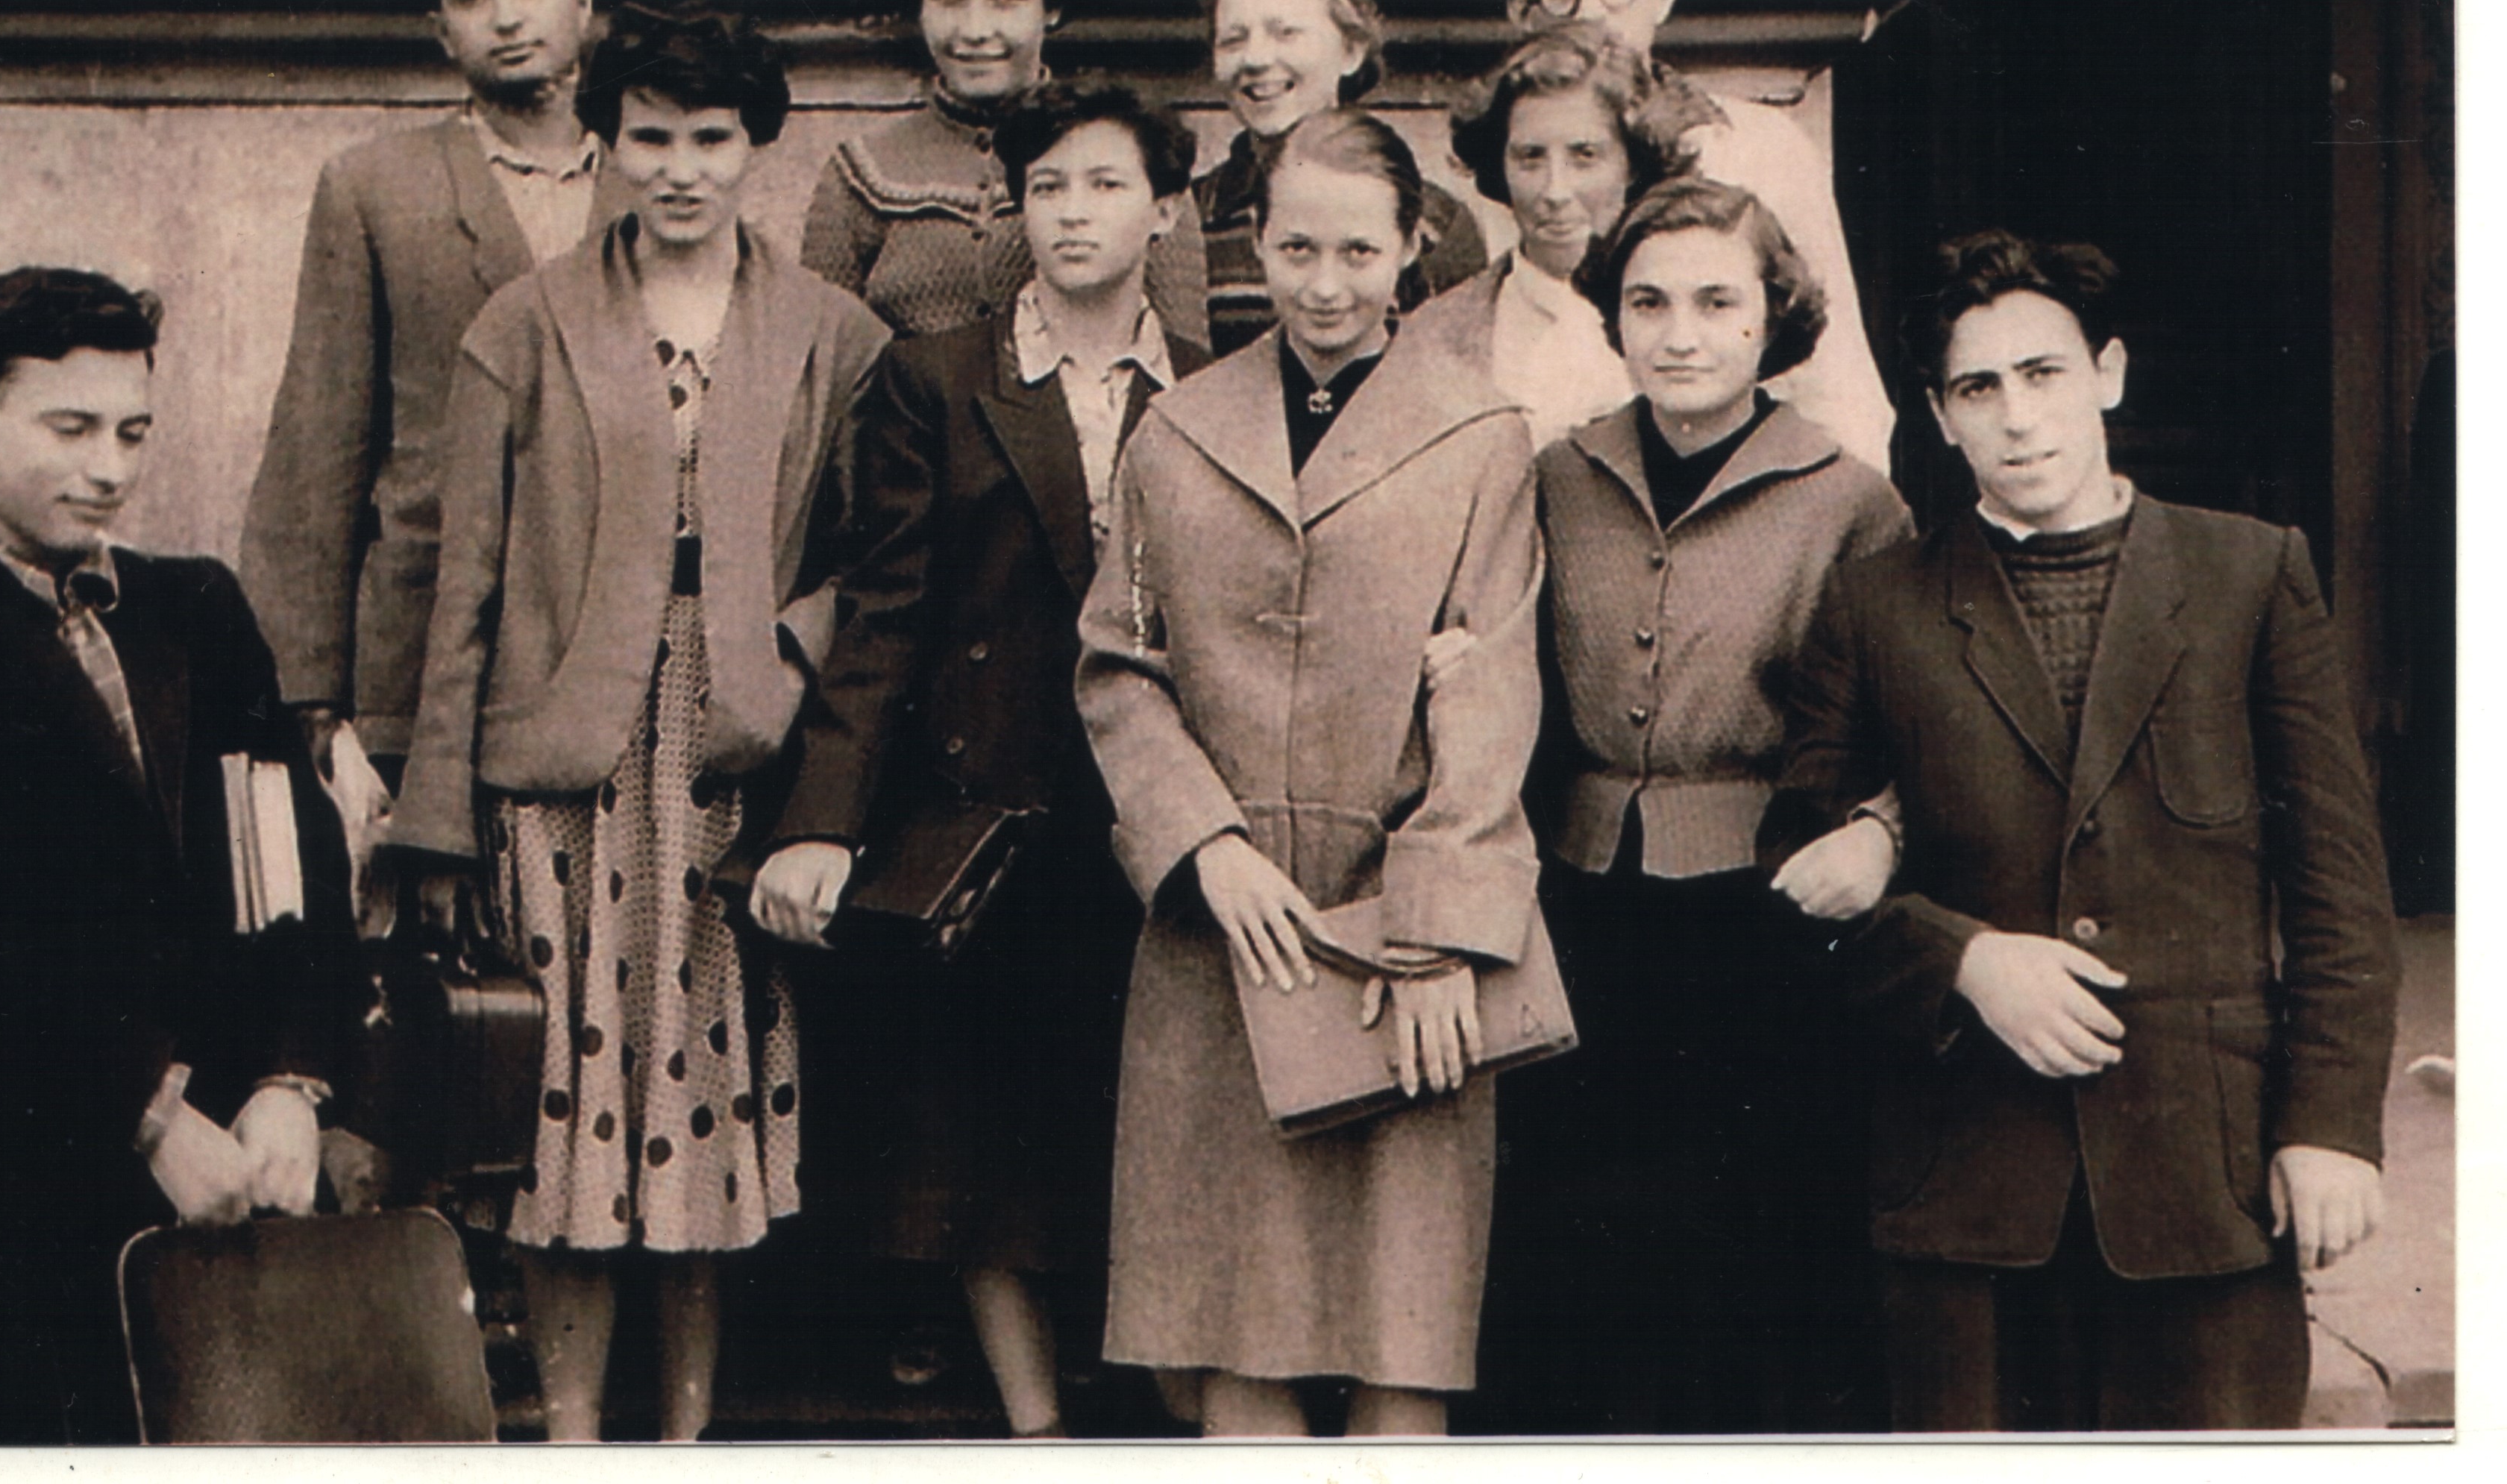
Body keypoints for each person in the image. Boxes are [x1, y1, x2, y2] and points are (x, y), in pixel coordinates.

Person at [1757, 230, 2400, 1430]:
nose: (2015, 415)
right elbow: (1795, 883)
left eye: (2043, 373)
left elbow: (2336, 887)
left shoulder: (2248, 574)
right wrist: (1963, 960)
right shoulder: (1875, 601)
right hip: (1961, 1186)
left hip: (2201, 1177)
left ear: (2107, 372)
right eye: (1976, 387)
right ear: (1939, 417)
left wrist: (2327, 1127)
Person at [387, 8, 889, 1441]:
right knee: (565, 1082)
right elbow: (462, 579)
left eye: (711, 139)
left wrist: (787, 658)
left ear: (754, 148)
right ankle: (566, 1435)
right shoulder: (525, 322)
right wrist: (433, 808)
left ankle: (682, 1439)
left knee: (696, 1099)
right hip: (563, 762)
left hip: (727, 754)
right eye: (651, 137)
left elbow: (870, 563)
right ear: (605, 139)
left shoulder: (825, 334)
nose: (679, 170)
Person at [0, 268, 358, 1444]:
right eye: (71, 427)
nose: (110, 465)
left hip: (241, 1177)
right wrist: (152, 1118)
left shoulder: (197, 608)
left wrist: (289, 1083)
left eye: (134, 431)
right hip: (5, 1193)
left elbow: (289, 867)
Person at [753, 81, 1211, 1438]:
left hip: (1154, 820)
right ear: (1014, 208)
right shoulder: (937, 375)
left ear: (1163, 207)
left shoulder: (1207, 381)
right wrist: (824, 816)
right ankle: (1032, 1433)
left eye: (1106, 184)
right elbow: (882, 607)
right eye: (1049, 186)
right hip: (986, 823)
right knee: (982, 1150)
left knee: (1151, 1135)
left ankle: (1191, 1415)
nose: (1073, 213)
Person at [1076, 110, 1542, 1436]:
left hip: (1400, 945)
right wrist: (1201, 845)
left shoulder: (1476, 432)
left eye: (1355, 250)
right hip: (1225, 940)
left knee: (1403, 1346)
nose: (1323, 284)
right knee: (1235, 1348)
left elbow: (1496, 681)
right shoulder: (1177, 428)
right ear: (1251, 247)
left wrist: (1443, 935)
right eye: (1293, 248)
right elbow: (1118, 661)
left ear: (1411, 251)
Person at [1475, 178, 1910, 1436]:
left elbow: (1919, 709)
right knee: (1580, 1239)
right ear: (1609, 317)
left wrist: (1871, 836)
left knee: (1749, 1236)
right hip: (1577, 903)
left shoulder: (1846, 496)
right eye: (1646, 300)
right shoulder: (1557, 472)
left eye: (1716, 302)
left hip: (1762, 913)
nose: (1678, 332)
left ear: (1772, 317)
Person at [242, 0, 627, 913]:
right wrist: (317, 706)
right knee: (435, 980)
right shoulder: (379, 188)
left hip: (615, 649)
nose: (504, 14)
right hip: (424, 654)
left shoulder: (660, 180)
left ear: (583, 2)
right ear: (439, 30)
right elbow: (317, 445)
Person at [1502, 0, 1895, 465]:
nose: (1589, 14)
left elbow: (1839, 381)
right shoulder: (1503, 169)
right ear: (1521, 13)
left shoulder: (1760, 150)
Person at [800, 0, 1208, 347]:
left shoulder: (1135, 153)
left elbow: (1184, 361)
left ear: (1050, 6)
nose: (975, 29)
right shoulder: (861, 172)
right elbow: (817, 364)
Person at [1420, 22, 1716, 446]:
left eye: (1585, 156)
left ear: (1632, 162)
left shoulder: (1702, 321)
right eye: (1530, 157)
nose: (1554, 191)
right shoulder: (1436, 334)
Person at [1189, 0, 1491, 353]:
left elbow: (1459, 378)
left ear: (1350, 51)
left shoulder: (1434, 222)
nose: (1256, 59)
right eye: (1233, 39)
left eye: (1286, 33)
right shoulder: (1189, 217)